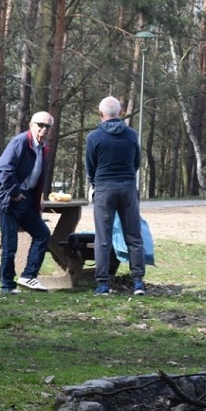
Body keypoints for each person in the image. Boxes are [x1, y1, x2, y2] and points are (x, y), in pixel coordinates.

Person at [0, 111, 54, 294]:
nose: (44, 129)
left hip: (27, 199)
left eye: (48, 126)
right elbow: (5, 170)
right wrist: (15, 193)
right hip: (8, 198)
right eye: (40, 124)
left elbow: (38, 177)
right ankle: (7, 286)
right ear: (31, 124)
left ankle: (28, 276)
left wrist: (38, 197)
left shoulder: (43, 148)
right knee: (10, 244)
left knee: (42, 234)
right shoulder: (21, 142)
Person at [85, 96, 146, 296]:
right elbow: (136, 162)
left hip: (104, 189)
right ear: (120, 113)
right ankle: (138, 282)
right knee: (134, 236)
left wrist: (96, 183)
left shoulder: (94, 137)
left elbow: (90, 166)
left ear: (101, 114)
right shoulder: (131, 135)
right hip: (128, 187)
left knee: (103, 238)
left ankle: (103, 284)